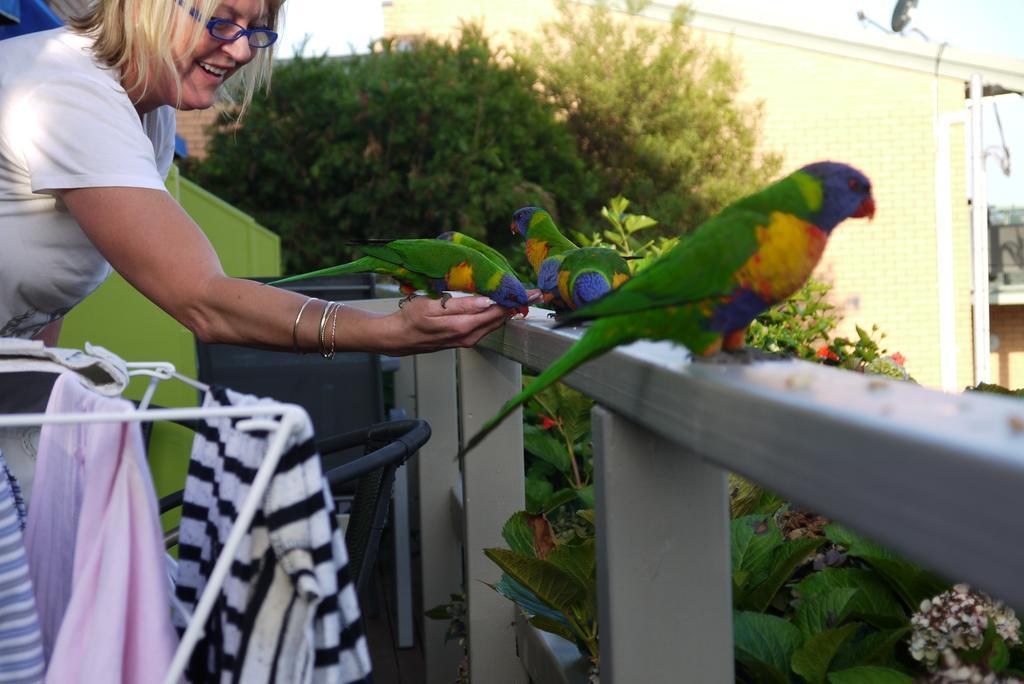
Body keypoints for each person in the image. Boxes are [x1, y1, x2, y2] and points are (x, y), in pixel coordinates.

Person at [0, 0, 526, 356]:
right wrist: (385, 331)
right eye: (222, 20)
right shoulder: (69, 94)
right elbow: (204, 299)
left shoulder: (149, 116)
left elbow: (40, 298)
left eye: (254, 29)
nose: (242, 49)